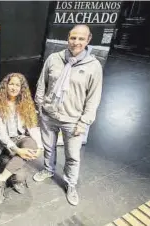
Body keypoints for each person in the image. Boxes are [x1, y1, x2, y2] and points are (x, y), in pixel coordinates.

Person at [33, 25, 103, 206]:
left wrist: (84, 122)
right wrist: (39, 106)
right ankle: (48, 169)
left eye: (81, 39)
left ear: (88, 40)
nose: (76, 42)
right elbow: (42, 83)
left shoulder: (93, 66)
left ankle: (70, 184)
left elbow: (93, 98)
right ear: (68, 38)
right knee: (48, 148)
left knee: (73, 156)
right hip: (48, 115)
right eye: (73, 38)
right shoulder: (54, 58)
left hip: (73, 121)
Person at [0, 73, 43, 204]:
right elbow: (1, 133)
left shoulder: (25, 103)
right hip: (4, 144)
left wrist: (40, 146)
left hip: (20, 138)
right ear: (6, 85)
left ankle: (1, 178)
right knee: (20, 175)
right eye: (11, 84)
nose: (14, 87)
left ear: (21, 88)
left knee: (32, 144)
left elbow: (32, 127)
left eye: (17, 85)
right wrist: (17, 150)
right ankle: (5, 178)